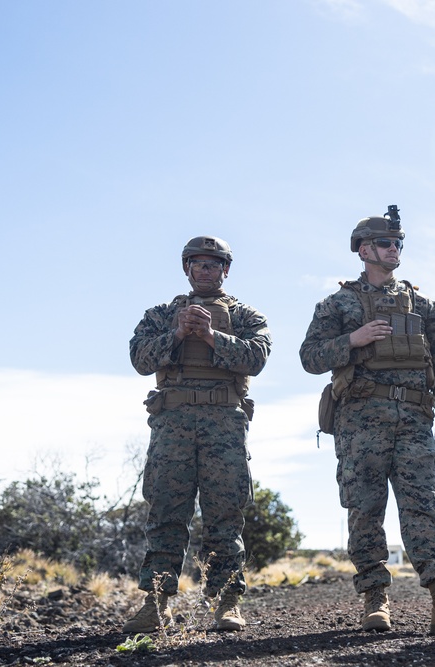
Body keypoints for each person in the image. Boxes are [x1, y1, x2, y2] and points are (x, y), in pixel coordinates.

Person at [299, 206, 435, 636]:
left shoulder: (424, 305)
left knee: (425, 506)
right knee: (364, 508)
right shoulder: (338, 304)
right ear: (364, 250)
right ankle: (375, 600)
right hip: (359, 421)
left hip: (415, 419)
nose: (394, 249)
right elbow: (309, 357)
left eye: (399, 243)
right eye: (386, 243)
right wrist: (352, 339)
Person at [123, 236, 272, 634]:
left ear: (226, 270)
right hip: (172, 422)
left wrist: (211, 336)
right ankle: (155, 604)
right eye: (198, 264)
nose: (205, 271)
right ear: (186, 269)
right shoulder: (160, 314)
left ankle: (226, 603)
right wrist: (175, 334)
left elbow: (257, 358)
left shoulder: (244, 315)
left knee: (225, 513)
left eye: (213, 264)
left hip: (224, 421)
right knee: (166, 512)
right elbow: (139, 359)